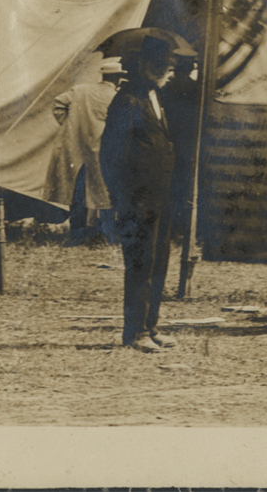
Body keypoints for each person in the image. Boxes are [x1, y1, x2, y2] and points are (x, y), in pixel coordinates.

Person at [98, 48, 182, 352]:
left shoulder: (153, 96)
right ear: (148, 66)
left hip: (159, 196)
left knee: (157, 262)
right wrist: (120, 195)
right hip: (137, 198)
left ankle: (150, 326)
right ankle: (135, 332)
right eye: (166, 67)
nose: (171, 73)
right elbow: (110, 153)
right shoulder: (127, 101)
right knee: (140, 264)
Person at [48, 66, 115, 244]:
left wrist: (70, 127)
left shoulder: (80, 90)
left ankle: (77, 234)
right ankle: (103, 234)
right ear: (117, 78)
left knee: (77, 193)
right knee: (104, 193)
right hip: (100, 152)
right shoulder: (115, 96)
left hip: (77, 150)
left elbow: (58, 103)